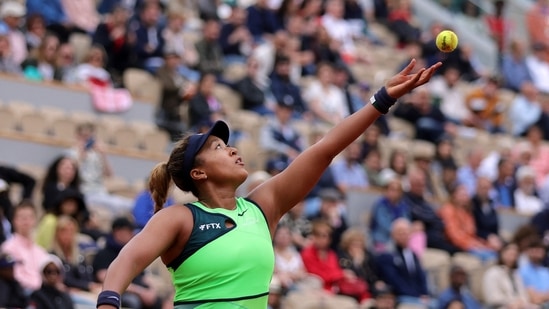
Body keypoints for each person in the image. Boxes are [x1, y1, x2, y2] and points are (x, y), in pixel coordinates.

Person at [95, 59, 441, 309]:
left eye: (228, 144)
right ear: (198, 173)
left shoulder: (262, 207)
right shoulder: (181, 219)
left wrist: (381, 100)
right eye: (218, 148)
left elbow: (324, 149)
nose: (232, 150)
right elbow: (125, 262)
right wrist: (109, 304)